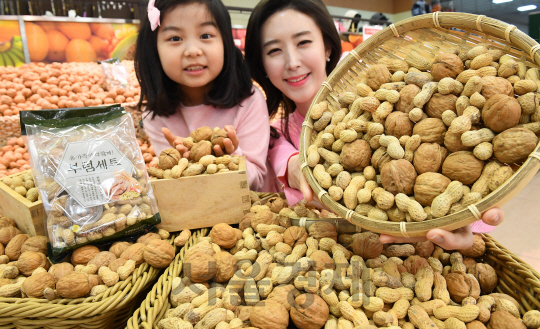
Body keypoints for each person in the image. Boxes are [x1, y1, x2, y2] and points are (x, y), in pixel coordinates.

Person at [245, 0, 504, 250]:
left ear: (327, 47)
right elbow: (286, 161)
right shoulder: (272, 134)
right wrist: (298, 169)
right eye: (274, 50)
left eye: (303, 42)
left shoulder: (379, 97)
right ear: (263, 66)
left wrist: (458, 223)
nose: (292, 62)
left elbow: (460, 191)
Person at [135, 0, 270, 190]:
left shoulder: (249, 101)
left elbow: (257, 182)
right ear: (153, 50)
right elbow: (178, 184)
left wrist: (229, 157)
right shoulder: (155, 116)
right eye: (175, 38)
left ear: (225, 42)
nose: (193, 51)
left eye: (206, 35)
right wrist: (181, 165)